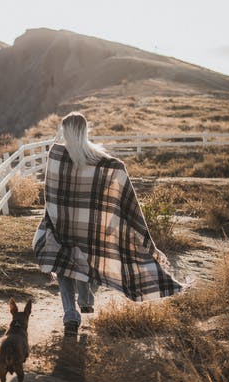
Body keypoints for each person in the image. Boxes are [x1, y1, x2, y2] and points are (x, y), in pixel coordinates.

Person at [33, 112, 183, 337]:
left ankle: (70, 315)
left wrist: (52, 220)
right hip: (88, 230)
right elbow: (110, 192)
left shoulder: (57, 155)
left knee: (64, 268)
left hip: (63, 226)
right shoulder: (102, 162)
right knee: (86, 263)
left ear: (66, 131)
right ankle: (85, 300)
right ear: (84, 131)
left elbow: (50, 194)